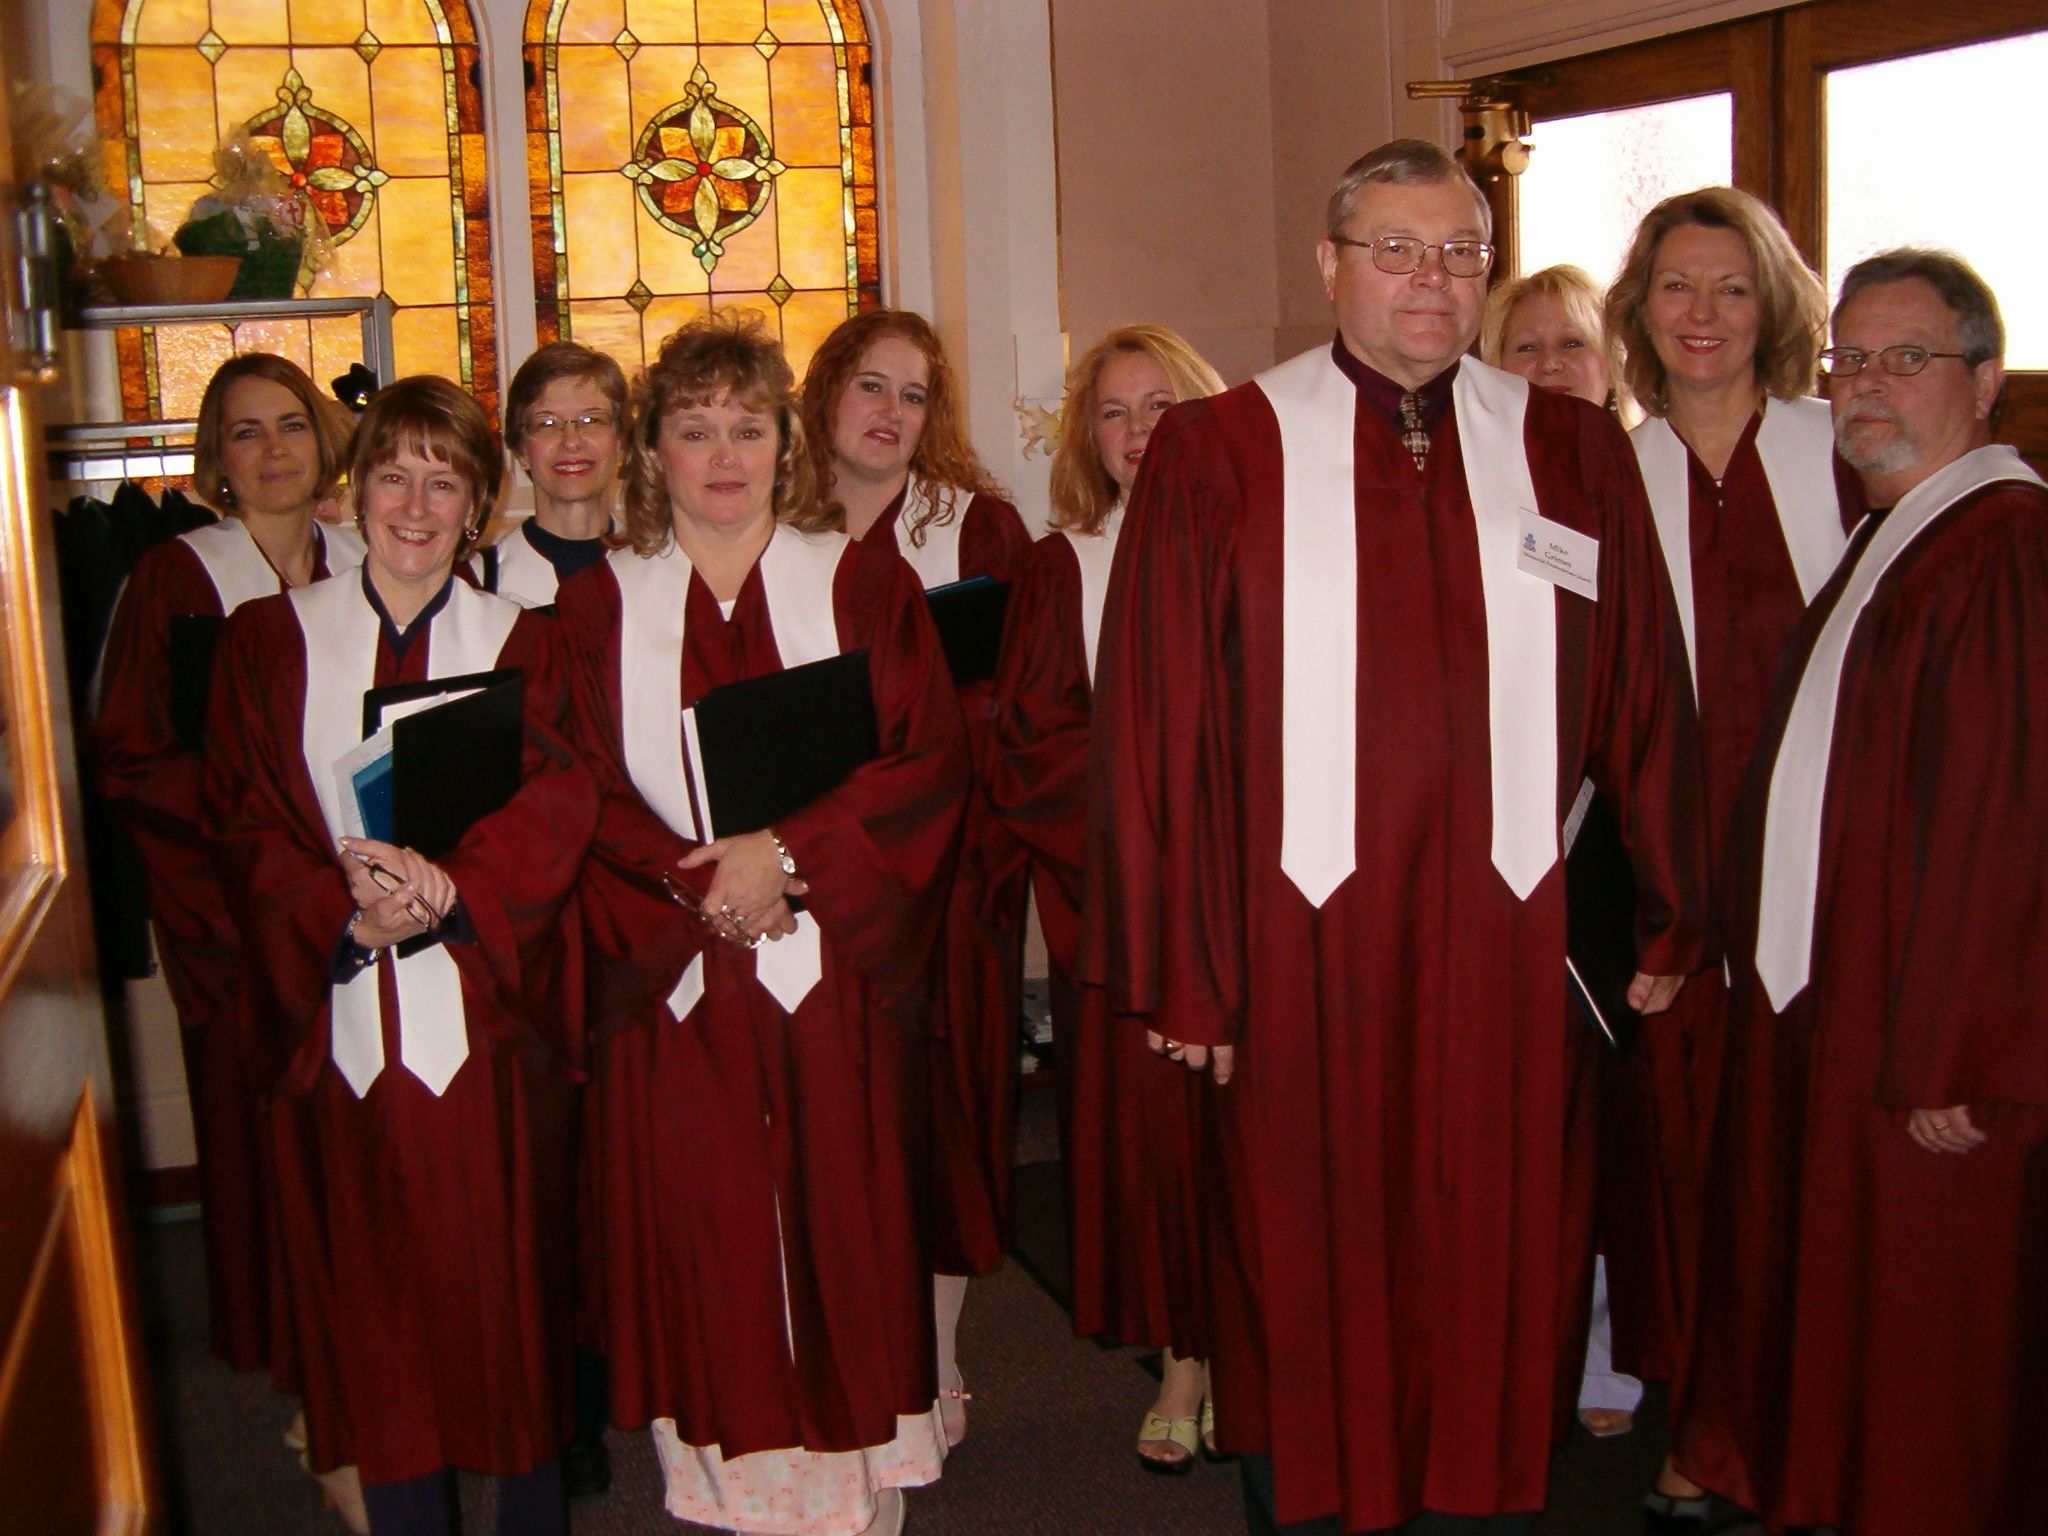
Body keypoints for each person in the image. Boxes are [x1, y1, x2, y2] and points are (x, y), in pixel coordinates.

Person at [1088, 139, 1709, 1535]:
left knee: (1501, 1248)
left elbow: (1640, 689)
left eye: (1460, 253)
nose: (1433, 282)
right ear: (1332, 266)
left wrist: (1674, 908)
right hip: (1296, 936)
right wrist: (1186, 972)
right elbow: (1156, 731)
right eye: (1397, 250)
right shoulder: (1223, 450)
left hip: (1510, 929)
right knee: (1301, 1250)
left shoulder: (1567, 445)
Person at [558, 310, 970, 1536]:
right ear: (655, 452)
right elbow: (573, 790)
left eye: (748, 427)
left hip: (829, 971)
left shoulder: (854, 580)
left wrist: (787, 856)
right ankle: (738, 1504)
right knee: (714, 1241)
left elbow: (927, 761)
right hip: (679, 987)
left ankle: (853, 1508)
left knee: (843, 1228)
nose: (723, 454)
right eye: (694, 430)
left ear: (783, 442)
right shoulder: (597, 614)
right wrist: (702, 883)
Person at [1672, 250, 2048, 1536]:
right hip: (1835, 1010)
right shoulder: (1901, 535)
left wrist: (1957, 1052)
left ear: (1984, 381)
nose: (1865, 389)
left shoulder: (2003, 549)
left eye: (1906, 359)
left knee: (1930, 1346)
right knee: (1842, 1314)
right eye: (1846, 361)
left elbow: (2006, 824)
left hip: (1926, 1052)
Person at [201, 376, 597, 1536]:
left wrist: (458, 891)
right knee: (375, 1337)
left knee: (509, 1318)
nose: (415, 505)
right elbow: (238, 820)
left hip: (487, 1035)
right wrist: (340, 913)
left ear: (479, 508)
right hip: (342, 1046)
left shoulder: (526, 642)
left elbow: (564, 794)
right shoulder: (269, 644)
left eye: (446, 482)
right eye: (392, 474)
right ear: (354, 487)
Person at [1602, 187, 1863, 1531]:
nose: (1702, 316)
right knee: (1690, 1157)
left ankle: (1811, 1416)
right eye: (1676, 287)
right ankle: (1703, 1417)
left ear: (1776, 307)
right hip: (1670, 891)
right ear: (1639, 309)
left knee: (1813, 1159)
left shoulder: (1841, 452)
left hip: (1827, 879)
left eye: (1733, 288)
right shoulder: (1602, 471)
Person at [93, 352, 366, 1508]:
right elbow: (132, 748)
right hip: (236, 902)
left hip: (361, 890)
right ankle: (295, 1358)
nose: (272, 451)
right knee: (264, 1136)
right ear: (215, 460)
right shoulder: (176, 577)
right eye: (245, 433)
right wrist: (249, 847)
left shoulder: (365, 554)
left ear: (321, 441)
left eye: (290, 426)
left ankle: (366, 1342)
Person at [988, 324, 1227, 1474]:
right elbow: (1032, 750)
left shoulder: (1270, 540)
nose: (1138, 433)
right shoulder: (1065, 565)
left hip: (1261, 904)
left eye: (1159, 405)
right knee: (1160, 1144)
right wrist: (1154, 835)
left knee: (1258, 1142)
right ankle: (1186, 1357)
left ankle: (1263, 1345)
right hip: (1126, 907)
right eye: (1114, 413)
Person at [799, 308, 1033, 1444]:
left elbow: (1010, 706)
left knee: (938, 1132)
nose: (892, 414)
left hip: (945, 880)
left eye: (915, 395)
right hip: (811, 882)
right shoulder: (774, 524)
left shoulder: (971, 528)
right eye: (871, 388)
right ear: (825, 396)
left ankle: (932, 1369)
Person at [1480, 264, 1648, 1447]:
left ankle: (1608, 1343)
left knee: (1615, 1114)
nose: (1547, 368)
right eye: (1522, 349)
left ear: (1610, 363)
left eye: (1568, 346)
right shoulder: (1488, 484)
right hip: (1499, 840)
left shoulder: (1634, 477)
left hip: (1613, 835)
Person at [478, 342, 627, 606]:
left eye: (592, 421)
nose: (571, 441)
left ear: (620, 442)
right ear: (521, 449)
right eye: (546, 423)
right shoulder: (482, 584)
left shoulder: (663, 567)